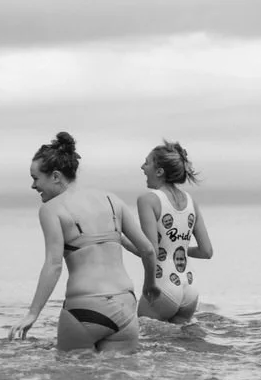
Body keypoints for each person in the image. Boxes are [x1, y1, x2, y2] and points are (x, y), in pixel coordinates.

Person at [9, 132, 162, 353]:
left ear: (55, 176)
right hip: (125, 307)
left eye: (35, 178)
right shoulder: (112, 200)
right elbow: (148, 250)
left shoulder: (51, 210)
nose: (33, 186)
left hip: (85, 308)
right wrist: (150, 284)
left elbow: (54, 265)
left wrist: (33, 313)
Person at [135, 140, 214, 324]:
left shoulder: (148, 200)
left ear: (159, 171)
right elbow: (206, 252)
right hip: (189, 287)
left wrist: (120, 239)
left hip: (162, 285)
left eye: (147, 163)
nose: (142, 167)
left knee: (148, 346)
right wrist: (176, 249)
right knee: (182, 348)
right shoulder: (190, 201)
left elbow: (149, 251)